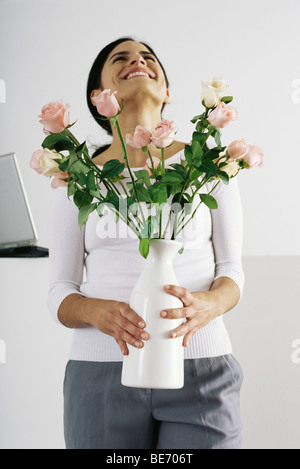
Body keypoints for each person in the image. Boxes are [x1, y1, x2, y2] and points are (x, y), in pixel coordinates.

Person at [47, 36, 245, 450]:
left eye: (147, 57)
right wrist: (97, 313)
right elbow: (59, 293)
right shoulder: (75, 178)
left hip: (201, 368)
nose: (137, 60)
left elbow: (231, 272)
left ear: (168, 91)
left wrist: (210, 304)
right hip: (99, 373)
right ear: (98, 96)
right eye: (120, 58)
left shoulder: (209, 167)